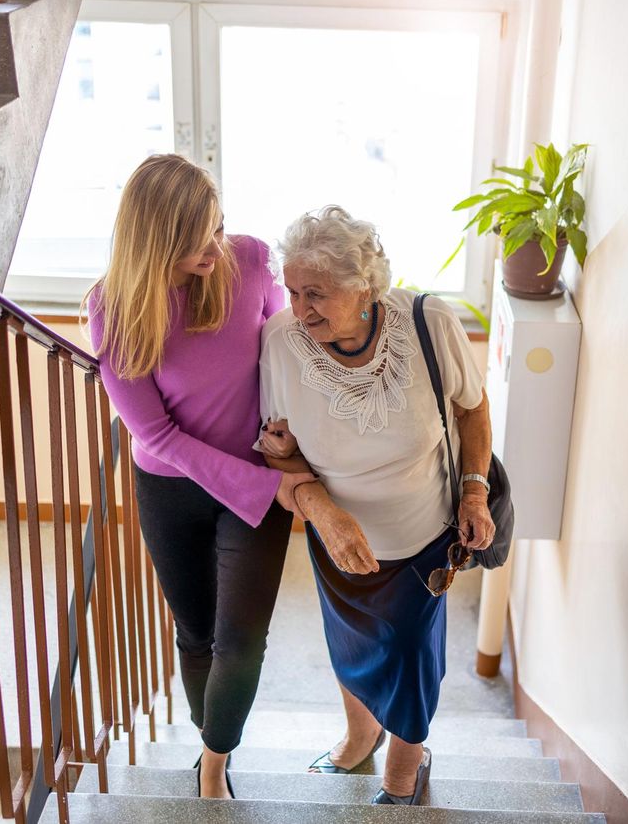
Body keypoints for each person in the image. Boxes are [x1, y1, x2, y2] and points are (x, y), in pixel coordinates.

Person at [86, 154, 315, 799]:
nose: (217, 246)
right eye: (198, 241)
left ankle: (214, 762)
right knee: (196, 633)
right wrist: (269, 488)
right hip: (172, 488)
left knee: (240, 640)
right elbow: (155, 435)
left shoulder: (247, 259)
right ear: (156, 242)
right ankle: (210, 733)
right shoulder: (113, 310)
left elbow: (286, 346)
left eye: (219, 226)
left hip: (255, 475)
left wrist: (287, 436)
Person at [257, 206, 495, 805]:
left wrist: (473, 489)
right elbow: (278, 450)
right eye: (292, 291)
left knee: (412, 653)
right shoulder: (281, 342)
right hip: (336, 538)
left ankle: (403, 770)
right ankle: (361, 735)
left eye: (317, 292)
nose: (300, 308)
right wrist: (322, 511)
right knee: (353, 645)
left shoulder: (428, 322)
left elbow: (472, 408)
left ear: (364, 287)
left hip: (425, 539)